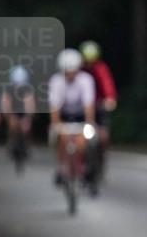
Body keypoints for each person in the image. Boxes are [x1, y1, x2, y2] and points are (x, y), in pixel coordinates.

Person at [49, 48, 97, 185]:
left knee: (85, 142)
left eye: (73, 71)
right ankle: (61, 167)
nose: (70, 75)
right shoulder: (56, 81)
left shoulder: (86, 80)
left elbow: (88, 105)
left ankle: (84, 166)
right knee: (60, 138)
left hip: (81, 116)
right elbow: (55, 107)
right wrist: (56, 125)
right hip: (64, 117)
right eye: (67, 72)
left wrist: (89, 124)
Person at [79, 40, 117, 176]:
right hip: (82, 109)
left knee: (103, 137)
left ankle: (101, 159)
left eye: (92, 61)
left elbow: (107, 84)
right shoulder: (78, 71)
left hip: (98, 107)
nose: (89, 64)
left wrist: (110, 99)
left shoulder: (101, 68)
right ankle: (80, 164)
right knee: (78, 138)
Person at [1, 65, 36, 162]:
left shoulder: (27, 89)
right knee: (12, 125)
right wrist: (8, 115)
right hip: (13, 112)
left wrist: (28, 116)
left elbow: (30, 103)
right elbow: (5, 102)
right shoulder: (8, 89)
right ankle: (11, 143)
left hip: (24, 112)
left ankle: (27, 145)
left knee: (26, 128)